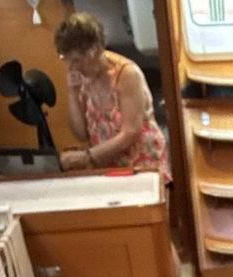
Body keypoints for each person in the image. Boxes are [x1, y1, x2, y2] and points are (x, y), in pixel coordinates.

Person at [54, 12, 171, 181]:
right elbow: (81, 134)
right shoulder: (83, 76)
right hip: (108, 167)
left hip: (142, 166)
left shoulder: (127, 74)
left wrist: (87, 156)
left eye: (77, 60)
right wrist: (72, 93)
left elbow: (131, 132)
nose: (73, 67)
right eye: (68, 60)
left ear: (96, 50)